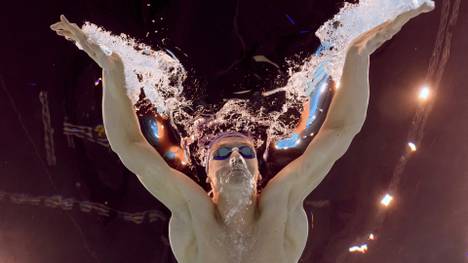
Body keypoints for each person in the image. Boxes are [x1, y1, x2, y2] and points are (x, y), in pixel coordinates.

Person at [50, 4, 433, 262]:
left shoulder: (200, 217)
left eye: (240, 153)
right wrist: (357, 56)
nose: (236, 158)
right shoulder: (273, 212)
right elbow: (338, 131)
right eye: (230, 154)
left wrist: (112, 71)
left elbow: (132, 146)